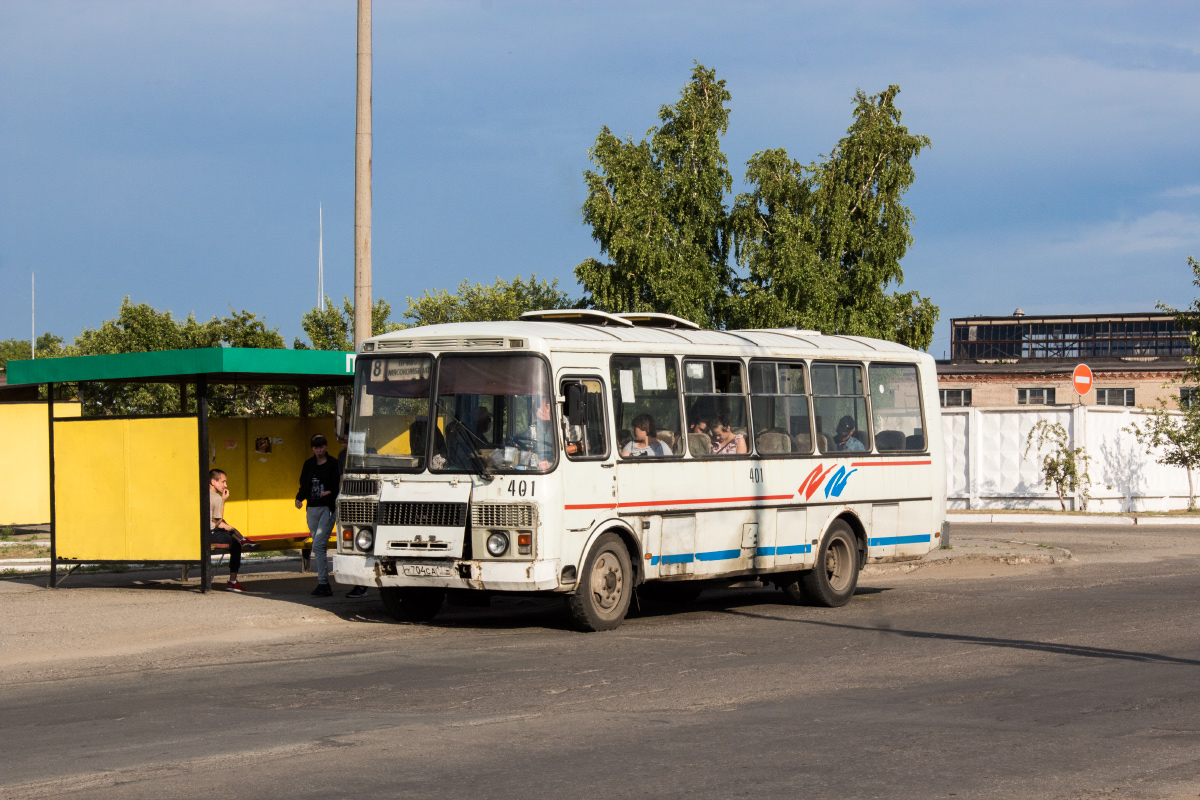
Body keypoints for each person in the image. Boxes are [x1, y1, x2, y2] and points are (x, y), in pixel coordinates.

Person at [296, 433, 342, 597]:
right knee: (318, 546)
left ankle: (323, 583)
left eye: (321, 446)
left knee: (318, 545)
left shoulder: (334, 464)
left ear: (326, 447)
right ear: (312, 448)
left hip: (327, 507)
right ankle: (324, 584)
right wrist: (299, 498)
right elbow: (304, 483)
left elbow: (340, 484)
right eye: (316, 447)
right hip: (312, 507)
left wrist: (331, 492)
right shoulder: (309, 464)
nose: (319, 449)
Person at [209, 469, 257, 593]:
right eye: (223, 482)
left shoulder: (204, 494)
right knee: (235, 545)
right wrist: (223, 501)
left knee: (228, 529)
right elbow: (218, 522)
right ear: (213, 481)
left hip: (206, 532)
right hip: (210, 534)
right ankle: (232, 581)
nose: (225, 485)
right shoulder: (216, 498)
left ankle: (242, 540)